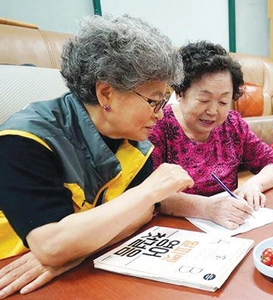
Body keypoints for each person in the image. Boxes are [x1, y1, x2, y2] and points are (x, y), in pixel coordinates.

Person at [0, 14, 194, 298]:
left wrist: (74, 252)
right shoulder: (25, 139)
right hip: (12, 273)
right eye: (154, 101)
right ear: (106, 94)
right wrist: (150, 190)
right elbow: (50, 245)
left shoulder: (136, 145)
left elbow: (141, 215)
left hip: (71, 273)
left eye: (164, 102)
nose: (161, 113)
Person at [149, 41, 273, 230]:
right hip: (177, 229)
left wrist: (254, 184)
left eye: (223, 101)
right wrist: (207, 208)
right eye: (203, 99)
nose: (213, 111)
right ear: (180, 92)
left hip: (229, 227)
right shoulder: (158, 127)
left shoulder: (232, 124)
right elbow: (151, 195)